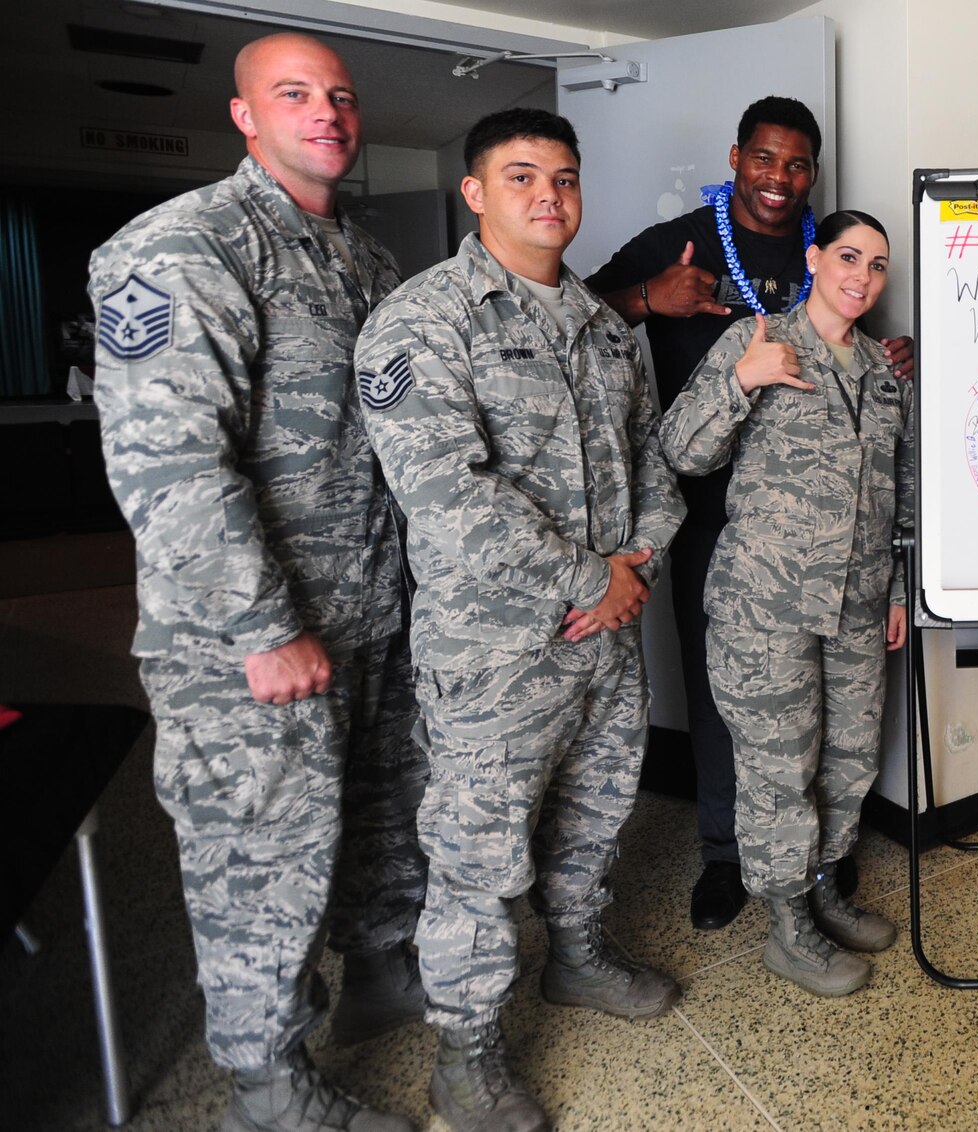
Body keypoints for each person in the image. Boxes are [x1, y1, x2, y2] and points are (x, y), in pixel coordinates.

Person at [89, 33, 426, 1132]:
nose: (325, 111)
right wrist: (262, 623)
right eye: (293, 94)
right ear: (243, 116)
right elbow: (167, 461)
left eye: (338, 95)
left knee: (381, 824)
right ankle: (268, 1087)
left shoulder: (366, 264)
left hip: (370, 614)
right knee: (261, 860)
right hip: (250, 647)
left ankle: (381, 975)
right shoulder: (186, 247)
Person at [356, 109, 686, 1132]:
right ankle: (465, 1055)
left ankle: (577, 960)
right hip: (497, 653)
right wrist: (592, 578)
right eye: (521, 175)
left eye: (565, 176)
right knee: (479, 858)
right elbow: (448, 496)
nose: (549, 195)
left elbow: (653, 462)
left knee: (595, 813)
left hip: (605, 639)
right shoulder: (423, 320)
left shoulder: (603, 325)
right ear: (475, 192)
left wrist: (636, 562)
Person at [586, 96, 911, 931]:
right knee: (735, 704)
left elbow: (891, 472)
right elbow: (581, 317)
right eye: (765, 159)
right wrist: (651, 299)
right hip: (712, 519)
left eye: (797, 165)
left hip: (834, 541)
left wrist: (888, 357)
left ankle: (815, 878)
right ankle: (731, 862)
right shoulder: (680, 243)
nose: (779, 177)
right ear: (736, 158)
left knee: (835, 730)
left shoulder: (848, 319)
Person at [656, 210, 911, 998]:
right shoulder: (760, 341)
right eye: (846, 256)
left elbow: (897, 495)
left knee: (847, 761)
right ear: (813, 258)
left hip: (858, 607)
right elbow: (679, 448)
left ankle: (827, 887)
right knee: (778, 772)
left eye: (875, 264)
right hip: (765, 607)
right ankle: (789, 927)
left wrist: (897, 588)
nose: (861, 276)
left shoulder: (880, 370)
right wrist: (741, 381)